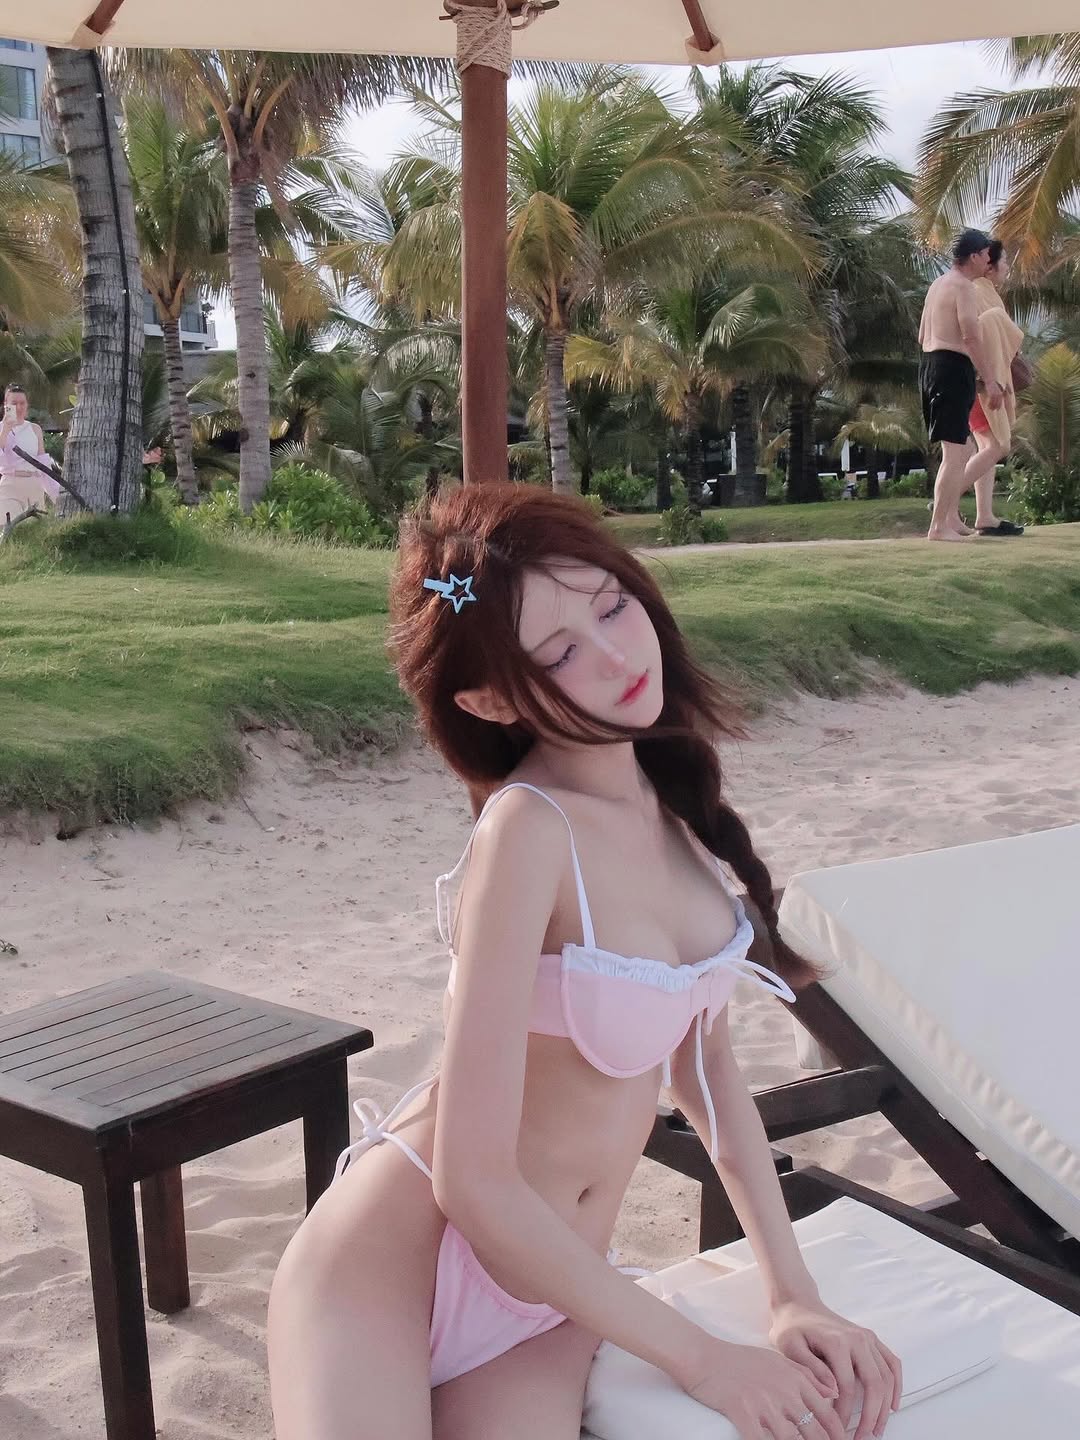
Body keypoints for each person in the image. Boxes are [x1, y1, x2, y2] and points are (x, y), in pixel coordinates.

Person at [267, 484, 902, 1440]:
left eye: (611, 606)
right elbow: (471, 1183)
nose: (615, 655)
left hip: (553, 1298)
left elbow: (711, 1082)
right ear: (488, 699)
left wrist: (792, 1296)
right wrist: (705, 1360)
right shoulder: (528, 830)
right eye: (559, 653)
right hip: (387, 1273)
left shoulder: (673, 809)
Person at [918, 229, 1006, 542]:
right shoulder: (964, 287)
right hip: (950, 368)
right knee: (956, 453)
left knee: (963, 448)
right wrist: (990, 381)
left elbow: (922, 334)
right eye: (986, 255)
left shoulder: (938, 284)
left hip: (931, 365)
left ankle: (950, 519)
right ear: (974, 256)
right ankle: (938, 527)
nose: (989, 260)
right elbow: (971, 337)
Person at [965, 241, 1025, 537]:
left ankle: (984, 516)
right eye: (1005, 262)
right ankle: (946, 498)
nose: (1007, 268)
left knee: (988, 447)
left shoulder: (984, 292)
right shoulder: (977, 292)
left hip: (982, 382)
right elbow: (975, 337)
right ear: (989, 266)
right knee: (997, 445)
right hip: (982, 383)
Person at [0, 383, 60, 522]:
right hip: (10, 484)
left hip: (34, 485)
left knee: (33, 529)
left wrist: (56, 495)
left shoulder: (35, 429)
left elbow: (43, 464)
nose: (18, 407)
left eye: (22, 403)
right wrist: (5, 431)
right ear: (6, 405)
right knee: (9, 525)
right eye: (14, 403)